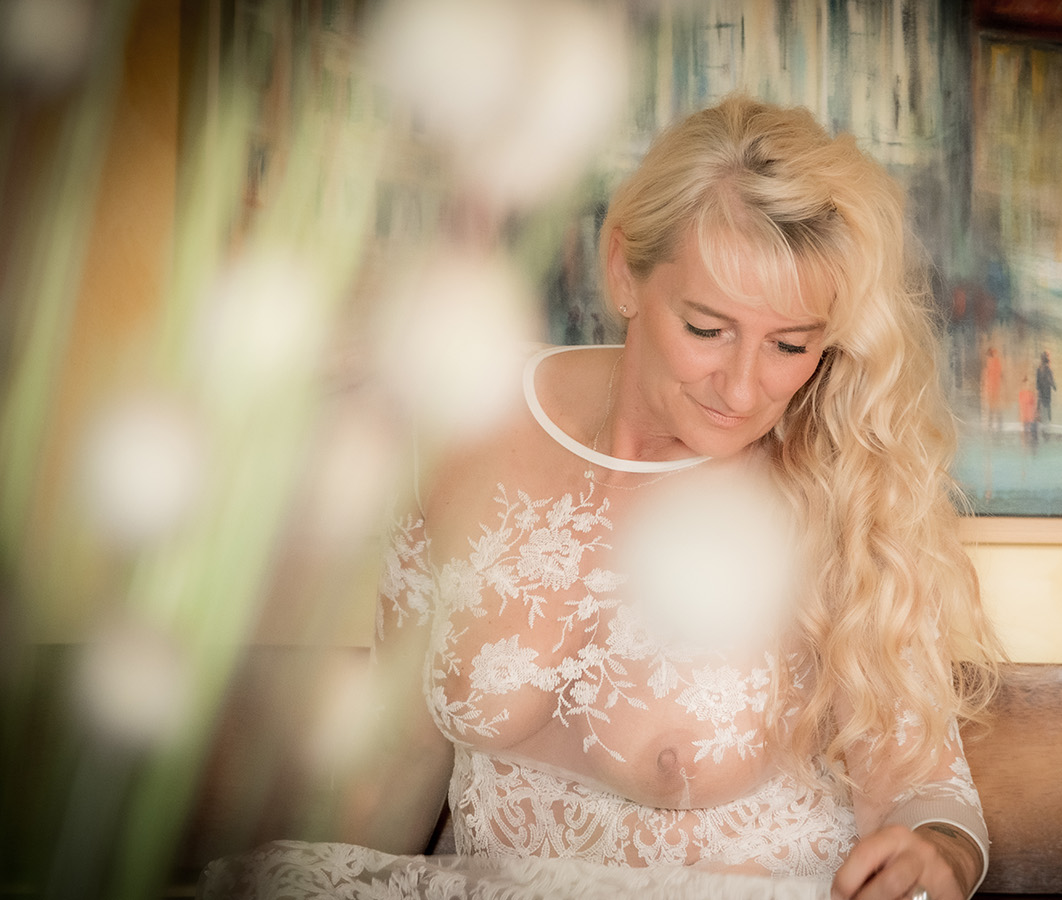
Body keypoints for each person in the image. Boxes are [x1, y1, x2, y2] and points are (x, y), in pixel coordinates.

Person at [203, 95, 1002, 900]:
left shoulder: (835, 480)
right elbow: (403, 756)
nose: (742, 387)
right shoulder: (462, 425)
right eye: (707, 329)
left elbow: (928, 795)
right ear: (624, 270)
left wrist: (938, 853)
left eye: (789, 345)